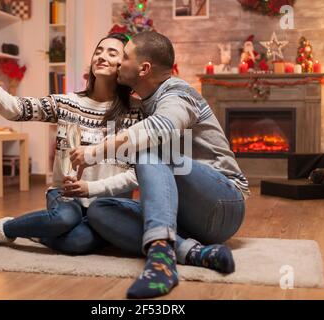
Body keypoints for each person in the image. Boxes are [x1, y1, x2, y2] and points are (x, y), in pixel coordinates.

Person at [70, 31, 251, 299]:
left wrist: (93, 152)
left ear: (144, 69)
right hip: (185, 217)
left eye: (125, 57)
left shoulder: (178, 93)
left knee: (149, 151)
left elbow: (162, 128)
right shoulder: (144, 104)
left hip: (224, 204)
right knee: (100, 210)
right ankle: (193, 252)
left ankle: (161, 262)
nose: (119, 63)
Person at [0, 33, 143, 255]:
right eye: (98, 51)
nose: (101, 56)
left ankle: (38, 230)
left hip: (108, 206)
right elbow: (14, 108)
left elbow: (136, 172)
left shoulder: (138, 113)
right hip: (66, 195)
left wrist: (93, 190)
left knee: (77, 243)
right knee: (63, 217)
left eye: (111, 52)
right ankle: (0, 229)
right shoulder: (67, 103)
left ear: (125, 64)